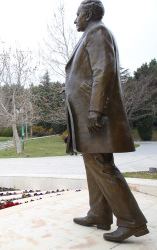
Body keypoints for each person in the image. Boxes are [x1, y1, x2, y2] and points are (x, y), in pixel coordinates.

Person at [65, 0, 148, 242]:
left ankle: (132, 221)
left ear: (88, 14)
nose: (75, 20)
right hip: (86, 113)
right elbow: (89, 73)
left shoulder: (98, 32)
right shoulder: (91, 33)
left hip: (94, 115)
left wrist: (95, 109)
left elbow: (104, 70)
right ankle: (99, 214)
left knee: (101, 164)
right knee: (93, 161)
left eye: (77, 14)